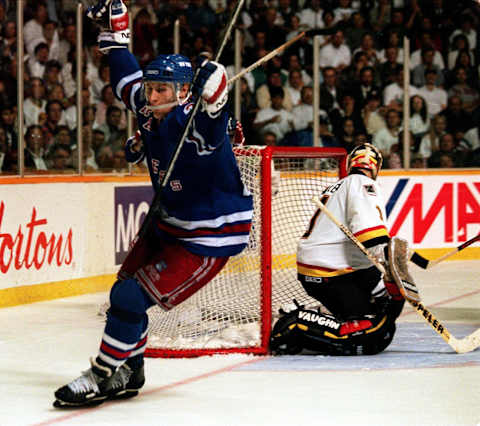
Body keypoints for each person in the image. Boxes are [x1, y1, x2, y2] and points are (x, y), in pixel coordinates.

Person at [53, 0, 253, 408]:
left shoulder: (194, 124)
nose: (151, 93)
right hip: (170, 220)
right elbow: (125, 75)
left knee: (130, 299)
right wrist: (115, 37)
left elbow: (213, 117)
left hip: (207, 236)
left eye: (161, 88)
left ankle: (103, 374)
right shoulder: (149, 109)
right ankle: (131, 371)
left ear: (184, 93)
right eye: (151, 87)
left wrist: (216, 90)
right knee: (123, 292)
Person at [270, 143, 406, 356]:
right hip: (329, 271)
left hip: (343, 267)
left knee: (385, 320)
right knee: (370, 337)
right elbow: (370, 235)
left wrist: (393, 286)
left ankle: (324, 314)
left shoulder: (343, 184)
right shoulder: (364, 184)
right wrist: (390, 266)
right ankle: (295, 322)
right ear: (376, 168)